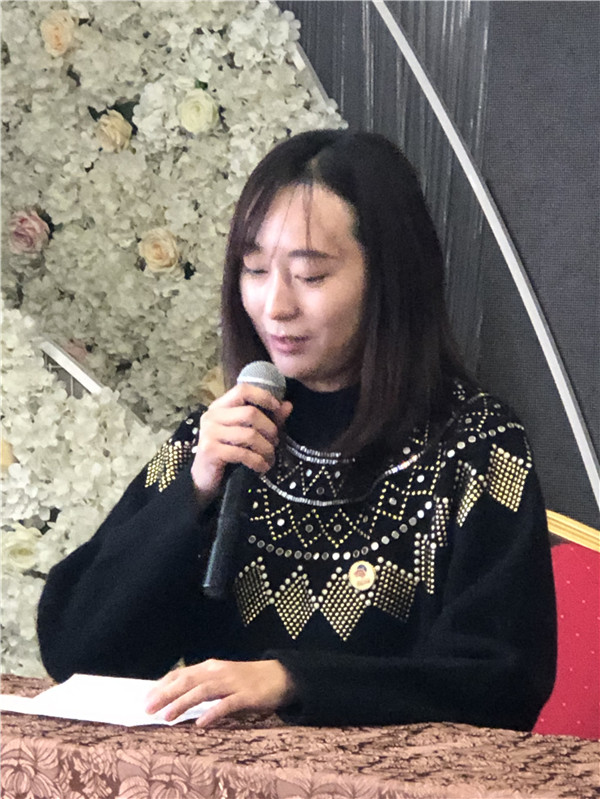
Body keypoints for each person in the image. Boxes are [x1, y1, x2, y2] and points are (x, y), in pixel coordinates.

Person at [37, 130, 556, 730]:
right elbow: (77, 654)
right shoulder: (226, 435)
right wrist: (194, 493)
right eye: (255, 270)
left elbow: (502, 681)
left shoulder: (477, 446)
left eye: (309, 276)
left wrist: (292, 682)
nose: (275, 306)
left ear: (390, 276)